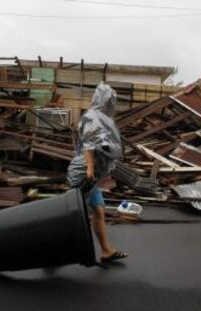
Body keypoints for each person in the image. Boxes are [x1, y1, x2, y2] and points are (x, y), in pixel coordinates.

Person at [67, 82, 128, 263]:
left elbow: (104, 145)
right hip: (83, 174)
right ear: (103, 100)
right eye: (110, 101)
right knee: (72, 216)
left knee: (99, 211)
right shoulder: (92, 117)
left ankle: (106, 251)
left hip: (93, 176)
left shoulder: (101, 118)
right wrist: (91, 168)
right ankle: (48, 252)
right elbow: (89, 144)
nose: (112, 105)